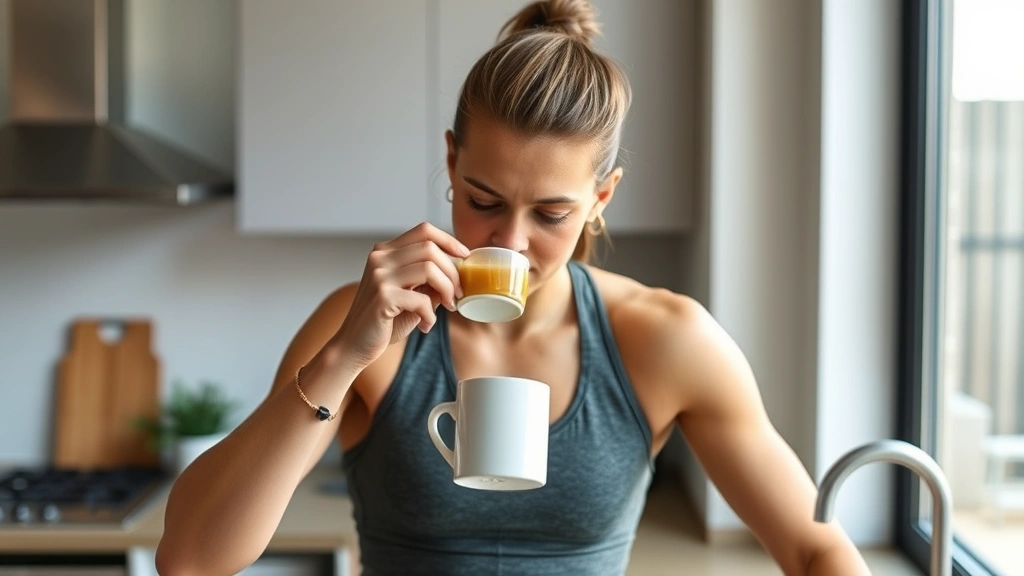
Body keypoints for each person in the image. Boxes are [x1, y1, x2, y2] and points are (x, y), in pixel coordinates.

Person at [156, 1, 871, 574]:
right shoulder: (363, 326)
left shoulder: (664, 340)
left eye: (552, 213)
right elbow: (190, 559)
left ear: (602, 197)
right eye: (483, 200)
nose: (509, 242)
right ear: (450, 160)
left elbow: (815, 548)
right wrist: (344, 357)